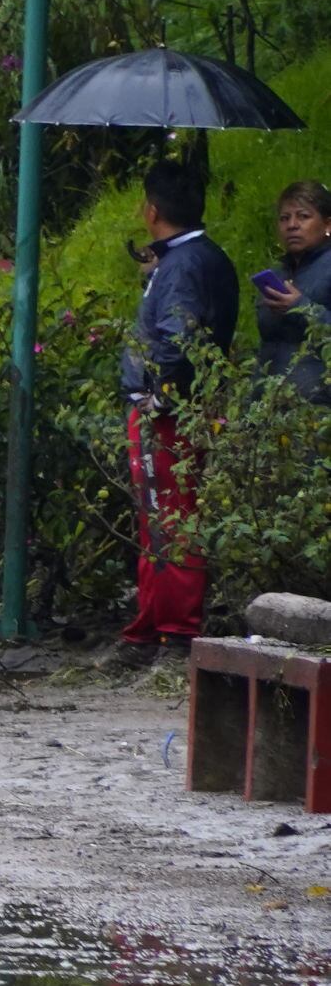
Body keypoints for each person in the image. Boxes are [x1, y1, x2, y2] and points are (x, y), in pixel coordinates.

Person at [116, 158, 238, 649]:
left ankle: (174, 629)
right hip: (181, 409)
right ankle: (152, 623)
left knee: (170, 517)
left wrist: (156, 397)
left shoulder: (184, 264)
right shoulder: (197, 258)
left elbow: (177, 336)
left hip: (166, 415)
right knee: (161, 517)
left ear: (151, 210)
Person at [256, 179, 329, 405]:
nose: (292, 225)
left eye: (303, 216)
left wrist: (300, 306)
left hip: (317, 408)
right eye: (284, 218)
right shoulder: (278, 272)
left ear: (327, 225)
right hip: (268, 403)